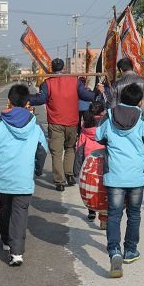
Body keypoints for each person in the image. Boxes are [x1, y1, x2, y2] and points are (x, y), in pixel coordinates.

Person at [96, 83, 144, 278]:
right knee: (134, 214)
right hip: (136, 175)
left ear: (121, 98)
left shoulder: (109, 116)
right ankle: (130, 251)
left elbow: (98, 136)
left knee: (114, 215)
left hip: (114, 174)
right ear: (140, 101)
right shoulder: (143, 120)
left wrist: (110, 142)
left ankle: (114, 251)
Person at [0, 84, 48, 267]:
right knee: (19, 214)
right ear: (27, 102)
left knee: (4, 210)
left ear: (9, 101)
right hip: (24, 179)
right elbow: (42, 151)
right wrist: (37, 170)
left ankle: (6, 241)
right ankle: (17, 253)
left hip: (3, 179)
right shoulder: (35, 126)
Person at [29, 58, 102, 192]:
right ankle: (69, 175)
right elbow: (86, 95)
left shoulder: (48, 83)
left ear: (52, 68)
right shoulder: (75, 81)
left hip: (56, 122)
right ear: (63, 68)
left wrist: (26, 98)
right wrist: (97, 93)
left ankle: (59, 181)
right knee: (70, 148)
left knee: (56, 152)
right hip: (72, 122)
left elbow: (40, 99)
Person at [73, 100, 108, 229]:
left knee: (92, 189)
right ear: (103, 111)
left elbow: (79, 150)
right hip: (105, 163)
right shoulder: (106, 125)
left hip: (89, 164)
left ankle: (92, 212)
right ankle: (104, 216)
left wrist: (77, 170)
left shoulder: (85, 127)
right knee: (103, 191)